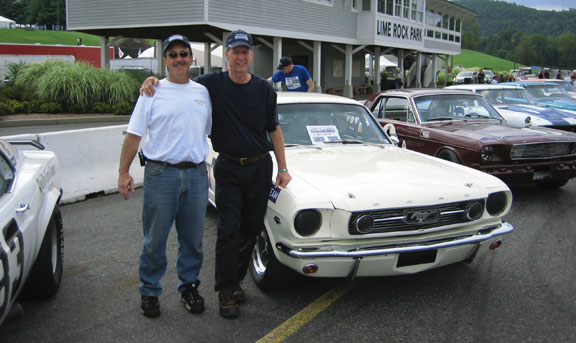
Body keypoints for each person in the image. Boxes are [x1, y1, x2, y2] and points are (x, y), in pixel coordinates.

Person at [141, 29, 292, 319]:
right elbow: (178, 81)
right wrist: (152, 82)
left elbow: (274, 129)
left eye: (245, 51)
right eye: (235, 51)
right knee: (228, 230)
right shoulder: (210, 85)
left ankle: (233, 281)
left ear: (251, 55)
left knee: (250, 228)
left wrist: (283, 168)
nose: (240, 56)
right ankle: (226, 291)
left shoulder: (264, 89)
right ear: (227, 55)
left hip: (261, 167)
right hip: (230, 168)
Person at [118, 34, 212, 318]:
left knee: (193, 239)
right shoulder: (152, 91)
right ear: (165, 61)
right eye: (173, 55)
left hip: (196, 175)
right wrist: (123, 172)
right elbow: (134, 135)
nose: (179, 59)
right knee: (155, 240)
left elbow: (204, 131)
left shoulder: (202, 93)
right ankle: (149, 291)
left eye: (184, 53)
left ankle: (189, 287)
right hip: (161, 175)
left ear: (192, 59)